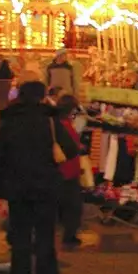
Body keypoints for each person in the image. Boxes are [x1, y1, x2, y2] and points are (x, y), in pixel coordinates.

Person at [0, 80, 74, 274]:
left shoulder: (9, 122)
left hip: (18, 188)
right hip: (45, 186)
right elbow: (71, 148)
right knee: (45, 237)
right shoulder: (50, 120)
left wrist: (0, 187)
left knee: (20, 240)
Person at [54, 96, 87, 248]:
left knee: (66, 205)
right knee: (73, 206)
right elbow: (72, 147)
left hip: (64, 170)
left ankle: (68, 235)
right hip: (68, 170)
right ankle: (69, 237)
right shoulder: (65, 125)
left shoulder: (59, 124)